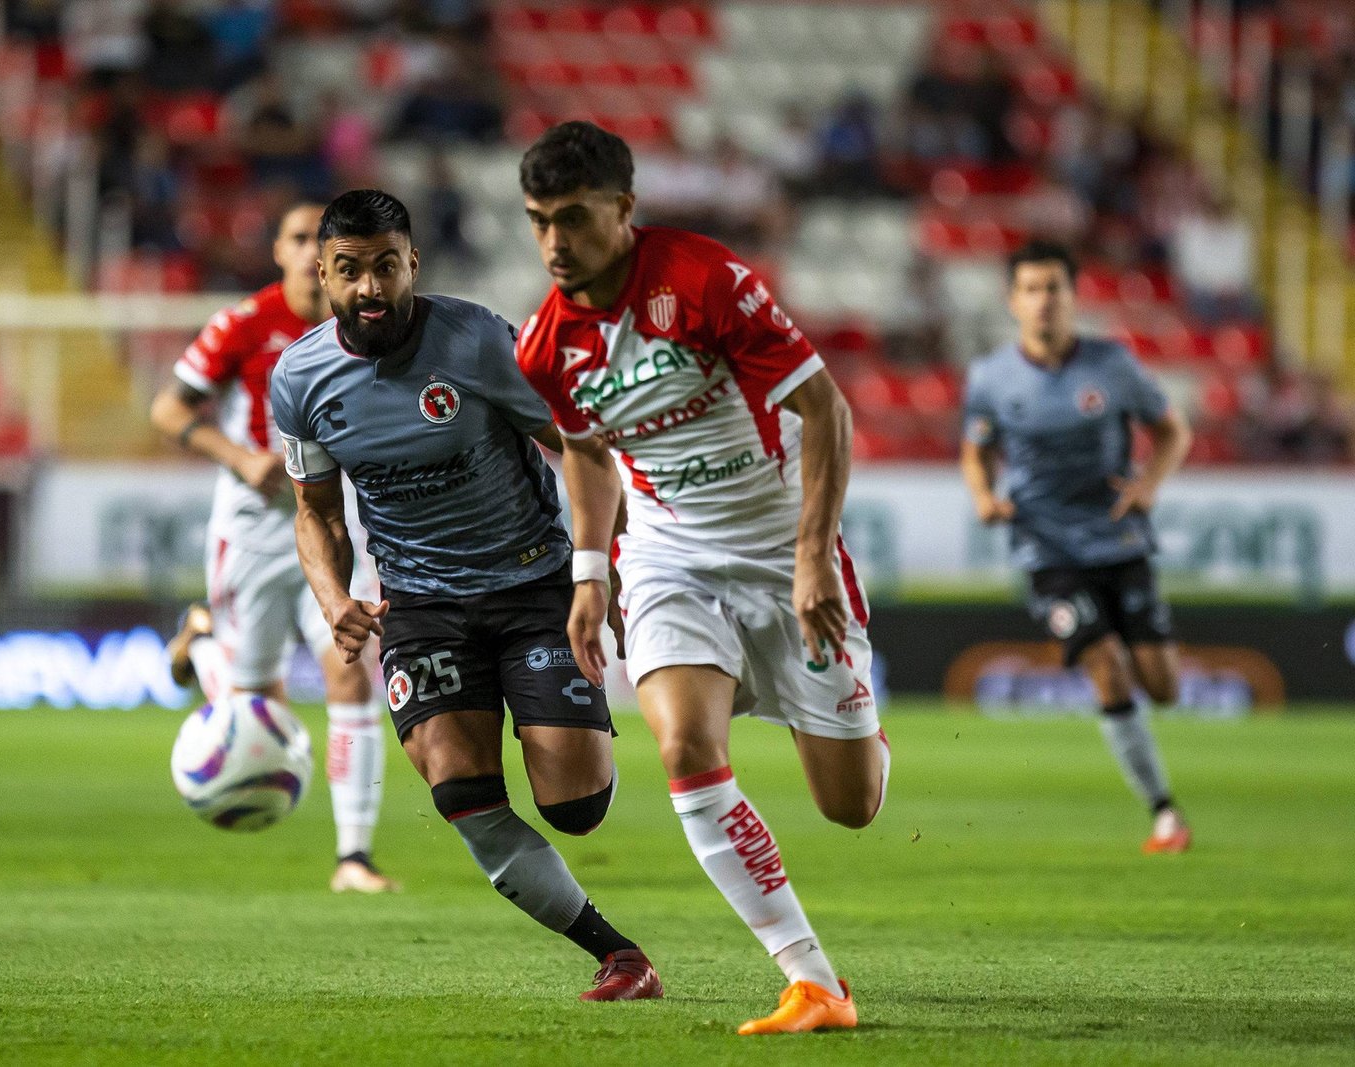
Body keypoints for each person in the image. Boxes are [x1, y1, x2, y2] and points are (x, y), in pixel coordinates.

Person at [514, 121, 890, 1035]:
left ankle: (858, 722)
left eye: (573, 217)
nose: (556, 242)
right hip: (669, 557)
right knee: (683, 743)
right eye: (537, 222)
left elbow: (823, 408)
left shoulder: (704, 280)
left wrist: (811, 557)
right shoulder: (545, 345)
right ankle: (812, 982)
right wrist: (591, 571)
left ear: (624, 210)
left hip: (778, 546)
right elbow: (585, 449)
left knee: (852, 806)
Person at [271, 188, 661, 1002]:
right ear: (323, 273)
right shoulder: (300, 378)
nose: (370, 288)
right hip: (419, 606)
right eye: (350, 271)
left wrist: (604, 562)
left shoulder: (480, 341)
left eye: (386, 266)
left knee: (576, 807)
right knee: (460, 787)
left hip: (531, 585)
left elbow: (580, 449)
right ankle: (619, 955)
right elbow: (314, 511)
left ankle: (570, 730)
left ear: (413, 262)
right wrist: (332, 594)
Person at [150, 202, 397, 895]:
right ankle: (201, 641)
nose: (306, 252)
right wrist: (237, 456)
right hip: (255, 528)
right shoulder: (243, 324)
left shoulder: (371, 326)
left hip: (337, 519)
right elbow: (167, 409)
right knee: (254, 703)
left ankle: (355, 855)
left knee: (354, 667)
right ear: (285, 254)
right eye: (293, 237)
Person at [960, 238, 1194, 854]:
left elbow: (1171, 429)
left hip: (1119, 538)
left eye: (1053, 288)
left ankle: (1151, 766)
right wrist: (984, 497)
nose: (1043, 301)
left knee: (1164, 686)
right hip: (1047, 549)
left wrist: (1148, 485)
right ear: (1013, 301)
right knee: (1107, 668)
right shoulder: (990, 378)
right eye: (1031, 289)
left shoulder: (1113, 365)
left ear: (1073, 294)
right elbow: (975, 447)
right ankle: (1165, 814)